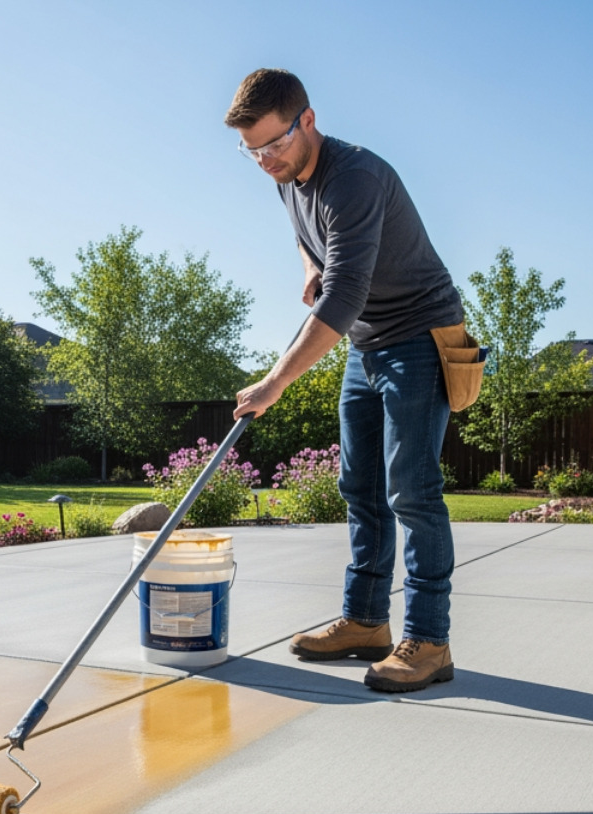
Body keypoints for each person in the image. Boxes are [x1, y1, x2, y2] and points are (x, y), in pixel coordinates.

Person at [227, 68, 464, 693]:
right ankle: (364, 622)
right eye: (252, 151)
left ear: (308, 119)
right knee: (358, 486)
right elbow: (310, 241)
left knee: (411, 490)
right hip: (366, 345)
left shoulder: (354, 177)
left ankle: (430, 642)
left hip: (419, 336)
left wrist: (275, 383)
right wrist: (312, 263)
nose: (265, 160)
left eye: (275, 143)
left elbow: (343, 300)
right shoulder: (286, 176)